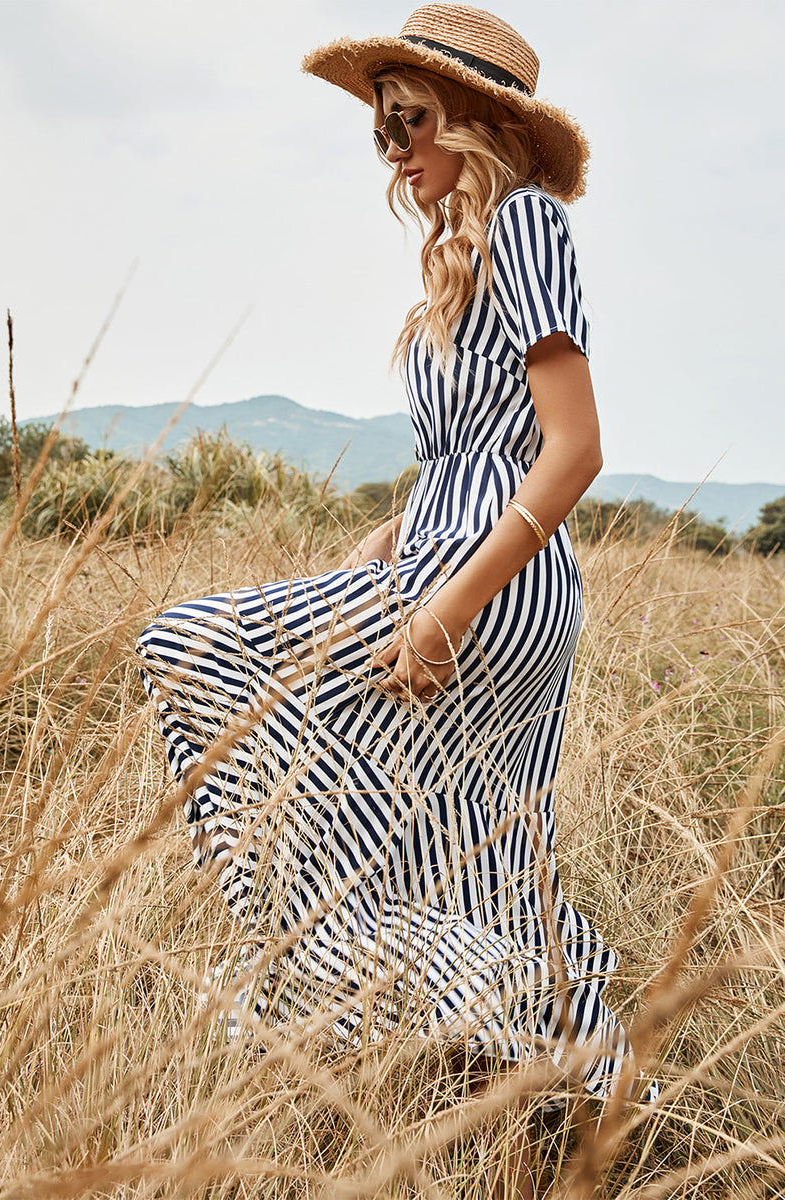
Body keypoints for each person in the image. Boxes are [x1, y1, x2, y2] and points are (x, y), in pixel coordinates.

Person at [137, 4, 655, 1192]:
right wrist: (393, 536)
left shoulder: (524, 222)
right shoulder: (457, 257)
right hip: (443, 553)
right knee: (461, 843)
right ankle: (548, 1085)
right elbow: (470, 444)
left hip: (493, 581)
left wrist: (447, 604)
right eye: (378, 134)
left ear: (476, 122)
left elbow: (570, 452)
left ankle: (377, 1002)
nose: (391, 153)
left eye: (407, 123)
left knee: (195, 646)